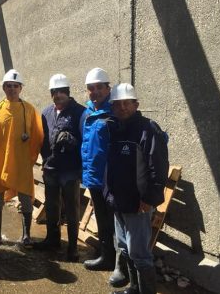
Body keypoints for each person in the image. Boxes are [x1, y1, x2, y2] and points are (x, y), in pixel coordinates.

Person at [107, 83, 169, 294]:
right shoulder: (115, 128)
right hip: (119, 202)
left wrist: (150, 199)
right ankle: (134, 288)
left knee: (140, 253)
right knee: (124, 247)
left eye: (127, 103)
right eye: (118, 104)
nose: (122, 107)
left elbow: (158, 167)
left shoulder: (148, 129)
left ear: (136, 104)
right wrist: (109, 195)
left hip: (138, 204)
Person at [0, 69, 44, 247]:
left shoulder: (29, 110)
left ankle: (26, 236)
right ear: (3, 88)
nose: (12, 89)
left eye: (15, 86)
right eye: (8, 86)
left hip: (21, 164)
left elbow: (38, 136)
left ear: (20, 88)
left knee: (26, 201)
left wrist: (30, 159)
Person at [81, 68, 127, 287]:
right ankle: (106, 257)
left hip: (112, 179)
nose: (95, 91)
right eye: (91, 88)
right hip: (94, 178)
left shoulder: (115, 111)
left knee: (118, 222)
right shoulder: (88, 112)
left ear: (108, 88)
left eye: (100, 87)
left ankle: (121, 266)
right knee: (102, 220)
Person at [33, 74, 86, 262]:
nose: (58, 95)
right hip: (51, 169)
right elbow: (42, 138)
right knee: (52, 206)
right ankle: (52, 240)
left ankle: (72, 248)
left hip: (70, 170)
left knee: (72, 209)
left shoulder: (80, 112)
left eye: (62, 91)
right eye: (54, 92)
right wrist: (44, 159)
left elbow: (87, 141)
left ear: (68, 93)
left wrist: (73, 141)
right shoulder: (46, 113)